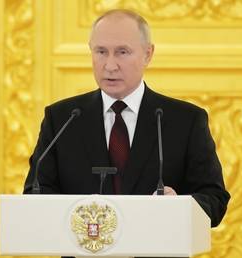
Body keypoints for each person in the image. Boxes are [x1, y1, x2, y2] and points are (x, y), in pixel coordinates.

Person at [23, 9, 230, 227]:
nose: (110, 65)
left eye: (122, 52)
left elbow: (214, 199)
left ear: (148, 54)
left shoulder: (186, 120)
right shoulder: (62, 119)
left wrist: (179, 207)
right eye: (101, 52)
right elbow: (35, 192)